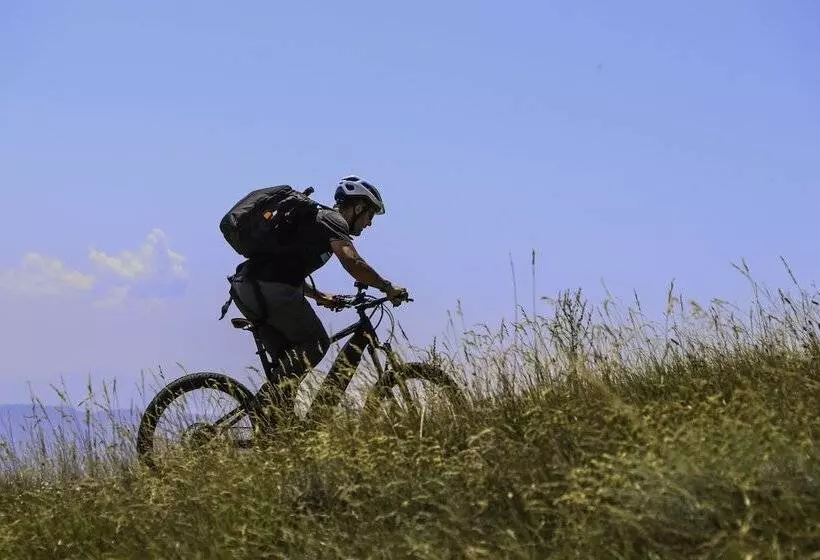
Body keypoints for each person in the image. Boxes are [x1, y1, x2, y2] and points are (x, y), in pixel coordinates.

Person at [227, 175, 409, 416]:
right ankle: (268, 407)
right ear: (358, 207)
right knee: (316, 343)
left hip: (248, 287)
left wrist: (319, 295)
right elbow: (353, 262)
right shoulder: (333, 220)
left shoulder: (315, 222)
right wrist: (387, 287)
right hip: (266, 288)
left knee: (289, 361)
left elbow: (284, 269)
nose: (369, 223)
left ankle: (273, 424)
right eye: (370, 215)